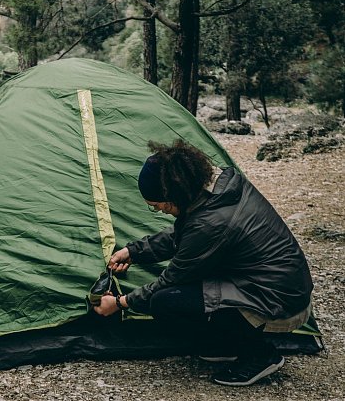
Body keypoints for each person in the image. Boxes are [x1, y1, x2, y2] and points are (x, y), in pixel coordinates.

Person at [93, 139, 314, 386]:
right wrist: (134, 252)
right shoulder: (214, 194)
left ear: (171, 195)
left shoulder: (211, 223)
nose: (159, 211)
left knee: (167, 301)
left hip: (280, 301)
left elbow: (174, 277)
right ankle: (226, 343)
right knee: (186, 294)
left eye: (156, 206)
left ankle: (260, 356)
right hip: (275, 284)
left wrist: (122, 303)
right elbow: (184, 235)